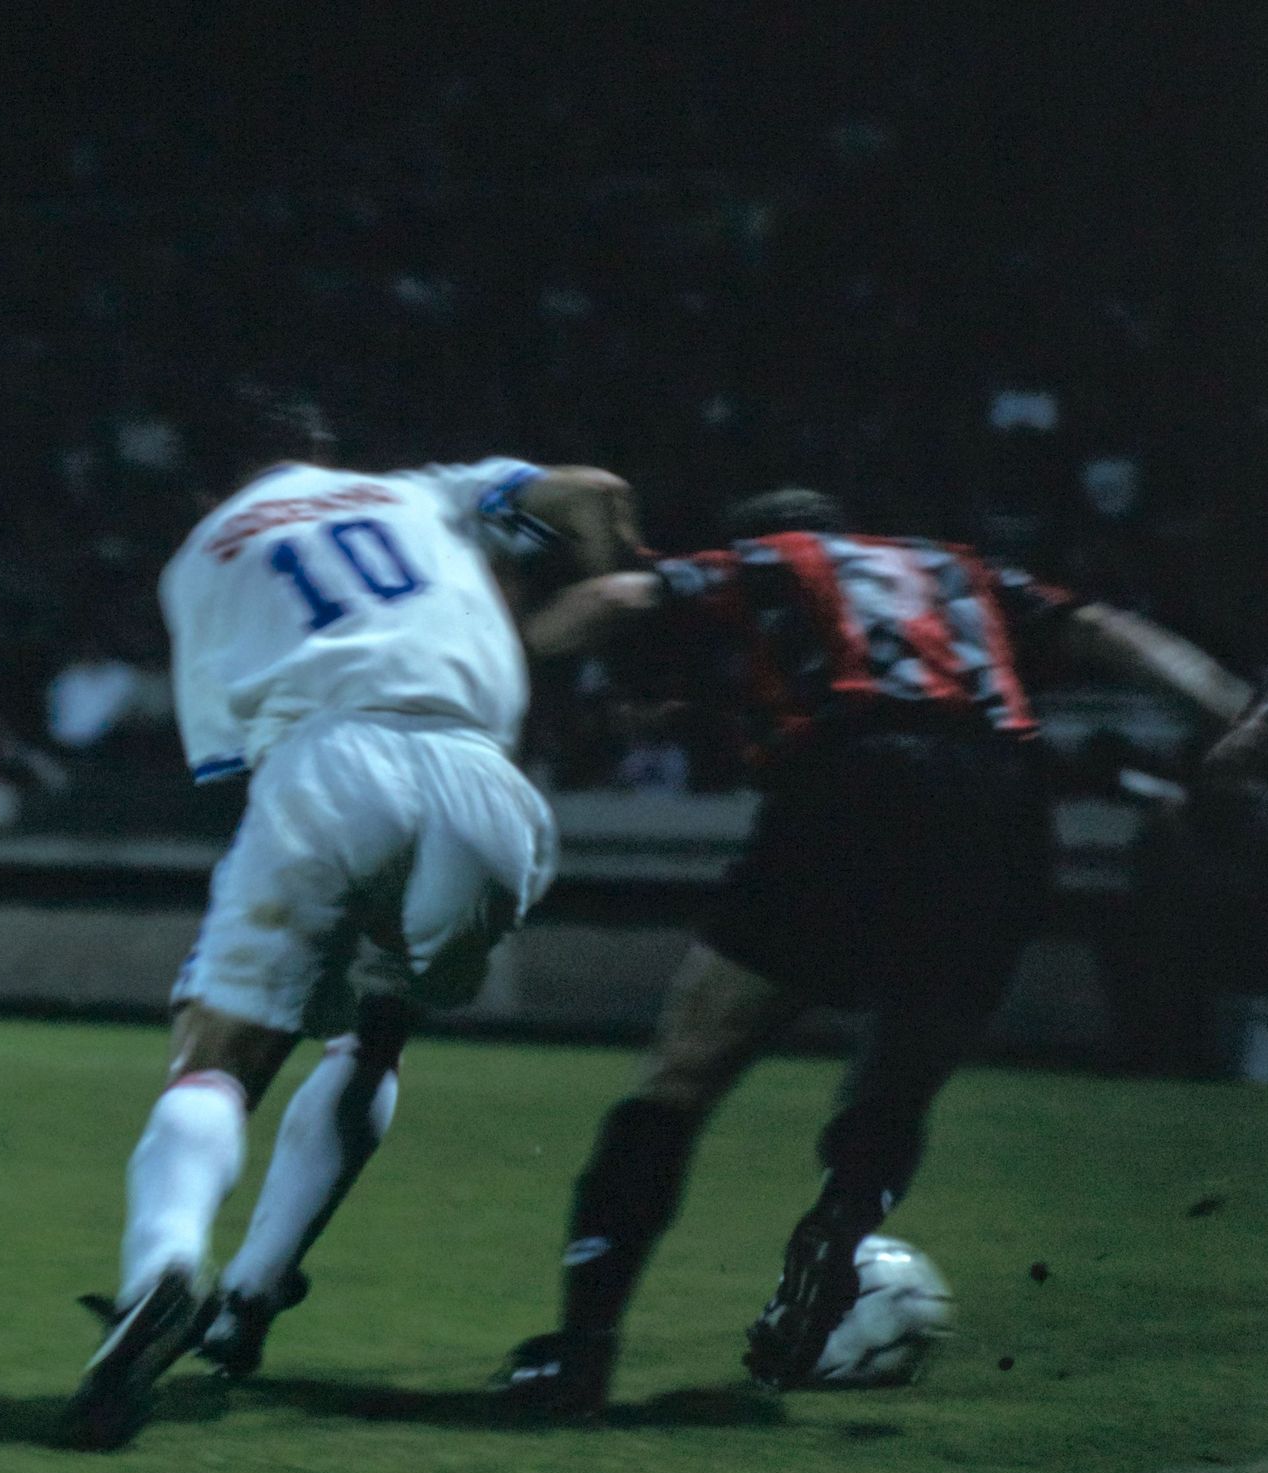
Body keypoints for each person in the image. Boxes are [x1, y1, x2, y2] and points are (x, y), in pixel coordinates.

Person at [493, 488, 1255, 1414]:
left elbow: (617, 599)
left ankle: (580, 1347)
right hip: (1003, 807)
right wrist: (1237, 708)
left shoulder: (778, 562)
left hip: (854, 781)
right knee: (896, 1080)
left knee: (683, 1074)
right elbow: (1104, 628)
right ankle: (845, 1213)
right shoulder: (959, 566)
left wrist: (484, 662)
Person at [63, 386, 641, 1449]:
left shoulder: (202, 554)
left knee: (218, 1057)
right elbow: (586, 492)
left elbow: (225, 762)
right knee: (373, 1036)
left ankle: (162, 1271)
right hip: (489, 786)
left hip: (332, 760)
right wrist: (606, 577)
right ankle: (250, 1297)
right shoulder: (420, 494)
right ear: (325, 447)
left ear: (205, 482)